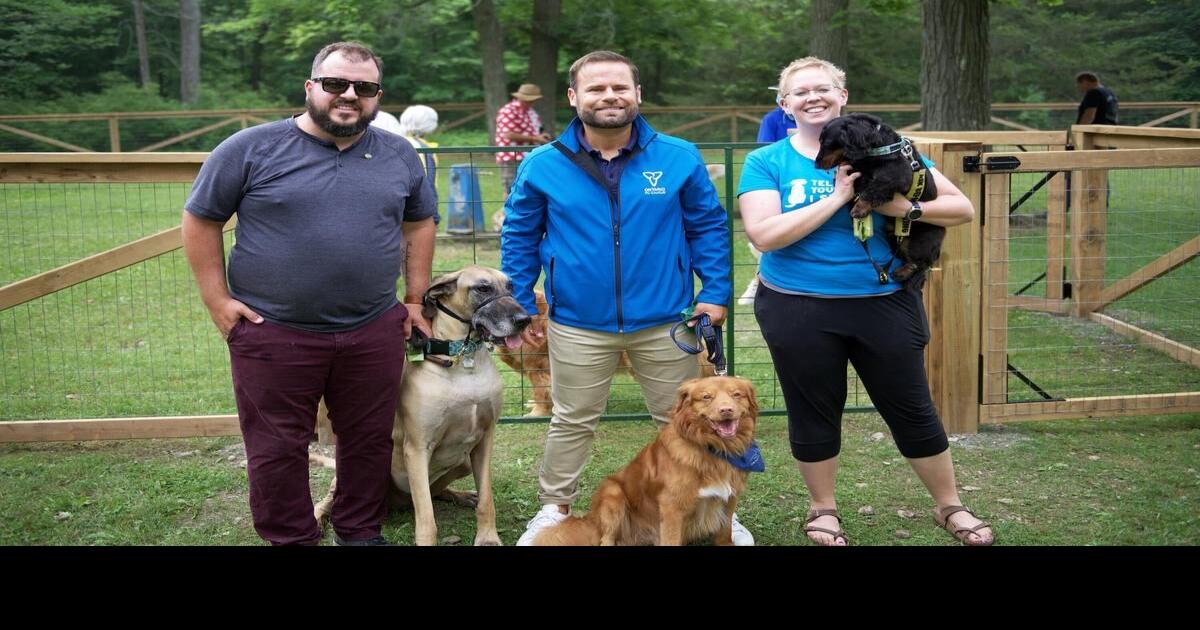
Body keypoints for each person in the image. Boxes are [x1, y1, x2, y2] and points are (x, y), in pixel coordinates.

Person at [181, 41, 437, 546]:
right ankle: (292, 537)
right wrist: (216, 299)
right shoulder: (249, 148)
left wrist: (413, 298)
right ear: (310, 87)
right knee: (276, 446)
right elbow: (201, 219)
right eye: (336, 83)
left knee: (367, 440)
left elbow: (420, 222)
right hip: (272, 329)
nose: (349, 95)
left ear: (377, 95)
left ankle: (360, 530)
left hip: (371, 327)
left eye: (363, 88)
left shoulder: (399, 153)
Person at [736, 56, 994, 546]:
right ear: (784, 104)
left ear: (843, 97)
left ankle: (950, 506)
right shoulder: (767, 161)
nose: (813, 98)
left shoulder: (889, 150)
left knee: (912, 406)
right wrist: (836, 198)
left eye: (823, 89)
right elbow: (765, 235)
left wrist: (906, 207)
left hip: (883, 302)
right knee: (813, 407)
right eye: (800, 92)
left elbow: (962, 207)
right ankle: (823, 509)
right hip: (797, 306)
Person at [500, 50, 753, 546]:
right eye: (596, 88)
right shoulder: (542, 163)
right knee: (571, 419)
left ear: (637, 93)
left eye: (619, 87)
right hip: (576, 320)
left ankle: (720, 509)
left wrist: (716, 292)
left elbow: (707, 227)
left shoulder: (678, 157)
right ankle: (553, 509)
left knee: (684, 420)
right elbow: (519, 236)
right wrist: (522, 304)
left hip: (665, 320)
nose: (609, 96)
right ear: (574, 97)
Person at [494, 83, 552, 198]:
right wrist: (535, 138)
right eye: (528, 100)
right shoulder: (508, 110)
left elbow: (536, 131)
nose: (530, 103)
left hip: (530, 156)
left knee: (530, 191)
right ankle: (509, 214)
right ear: (519, 97)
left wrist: (542, 135)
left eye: (532, 100)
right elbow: (508, 135)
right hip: (511, 157)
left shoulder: (531, 112)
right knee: (511, 190)